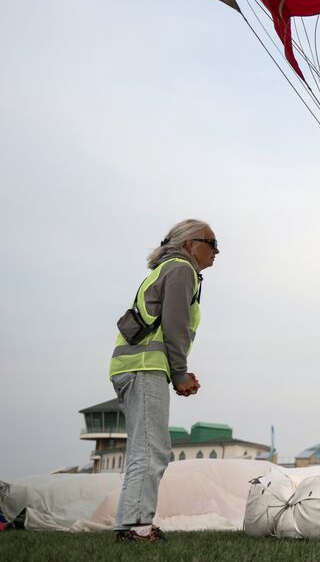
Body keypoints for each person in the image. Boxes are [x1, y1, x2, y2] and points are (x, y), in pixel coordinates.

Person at [108, 220, 218, 542]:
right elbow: (175, 324)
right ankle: (138, 528)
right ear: (189, 244)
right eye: (211, 243)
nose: (216, 251)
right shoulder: (181, 269)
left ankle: (130, 525)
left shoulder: (167, 269)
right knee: (152, 449)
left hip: (132, 365)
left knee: (143, 448)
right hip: (145, 366)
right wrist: (180, 373)